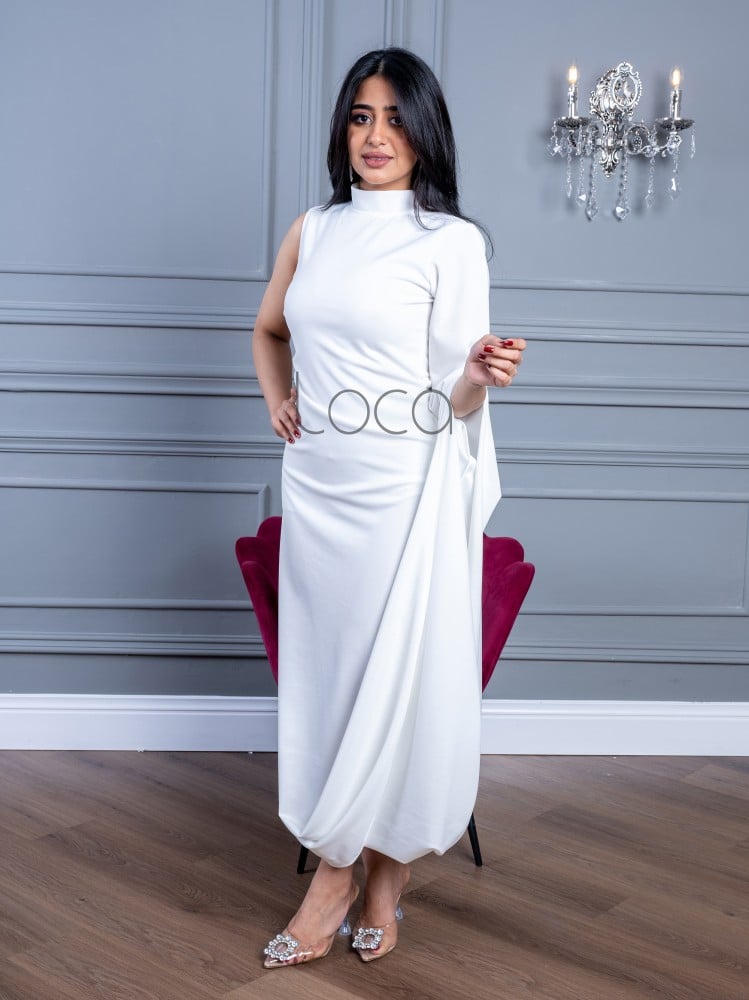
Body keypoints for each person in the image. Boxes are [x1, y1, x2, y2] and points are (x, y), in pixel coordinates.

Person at [252, 46, 526, 969]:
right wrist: (279, 400)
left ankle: (354, 877)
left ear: (425, 131)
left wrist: (478, 375)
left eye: (396, 118)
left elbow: (455, 398)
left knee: (397, 676)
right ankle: (371, 876)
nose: (376, 136)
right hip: (320, 485)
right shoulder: (314, 229)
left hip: (404, 488)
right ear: (343, 128)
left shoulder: (451, 242)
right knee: (333, 682)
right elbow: (269, 329)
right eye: (361, 116)